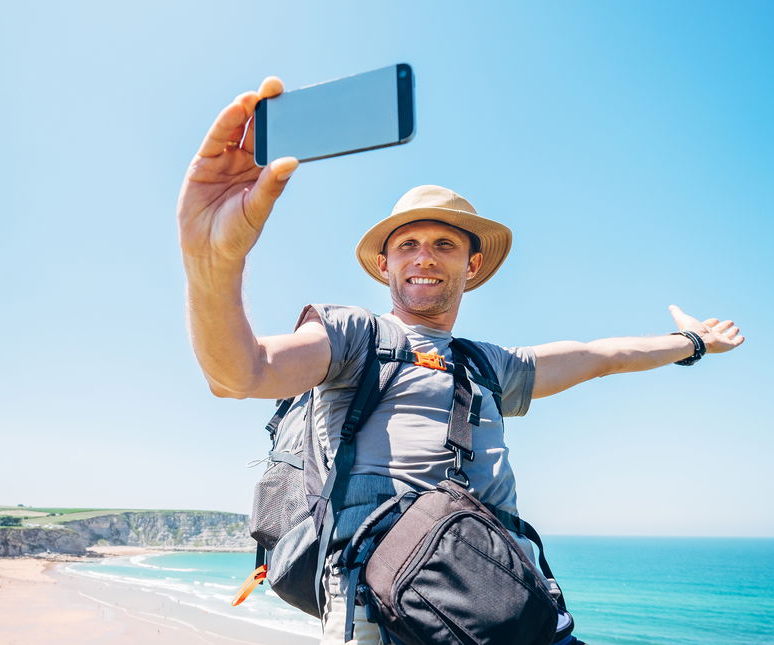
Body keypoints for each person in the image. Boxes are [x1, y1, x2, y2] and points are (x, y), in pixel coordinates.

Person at [177, 77, 745, 645]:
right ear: (384, 265)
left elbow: (603, 356)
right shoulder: (354, 337)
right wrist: (211, 261)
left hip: (510, 609)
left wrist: (692, 343)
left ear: (472, 265)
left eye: (444, 245)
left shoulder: (489, 366)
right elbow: (240, 373)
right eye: (408, 244)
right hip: (389, 618)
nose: (425, 257)